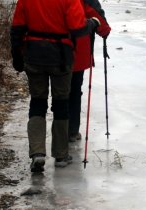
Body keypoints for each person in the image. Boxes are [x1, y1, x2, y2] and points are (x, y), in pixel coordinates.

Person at [10, 0, 98, 172]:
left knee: (37, 102)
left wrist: (17, 58)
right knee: (61, 103)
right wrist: (93, 23)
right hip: (61, 56)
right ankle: (60, 155)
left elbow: (17, 29)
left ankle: (37, 153)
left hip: (34, 54)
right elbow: (78, 28)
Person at [69, 0, 111, 142]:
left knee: (58, 93)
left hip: (46, 51)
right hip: (76, 53)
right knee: (74, 91)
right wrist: (104, 30)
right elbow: (99, 20)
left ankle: (59, 133)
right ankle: (72, 131)